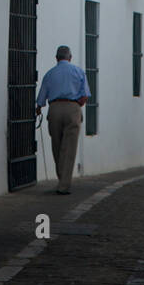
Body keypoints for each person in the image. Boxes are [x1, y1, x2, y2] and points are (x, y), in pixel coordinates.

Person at [35, 46, 91, 194]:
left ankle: (62, 180)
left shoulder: (50, 74)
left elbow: (41, 98)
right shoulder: (79, 72)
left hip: (54, 109)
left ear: (56, 58)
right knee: (70, 148)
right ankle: (64, 185)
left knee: (57, 146)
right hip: (73, 108)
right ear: (70, 57)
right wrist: (77, 106)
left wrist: (39, 108)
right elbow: (85, 95)